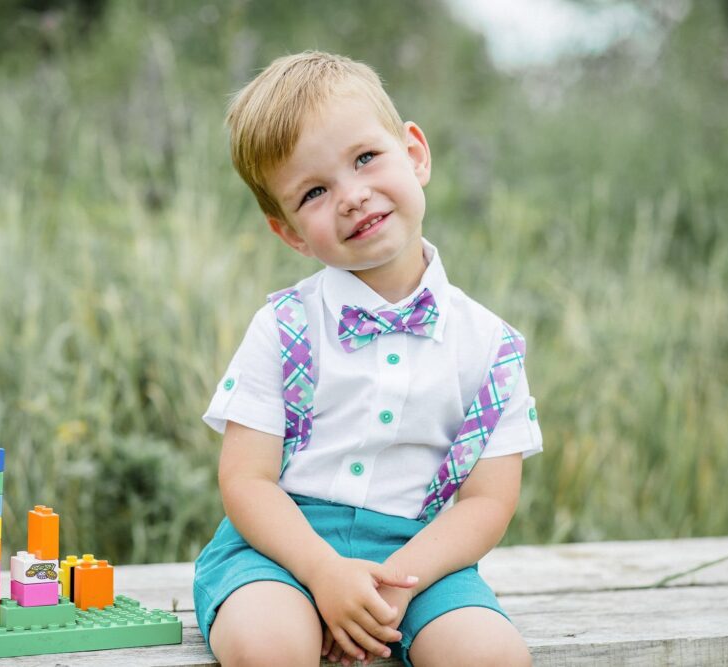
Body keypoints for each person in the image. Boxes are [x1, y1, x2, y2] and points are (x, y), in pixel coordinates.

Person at [193, 51, 542, 667]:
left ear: (415, 153)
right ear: (291, 233)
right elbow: (246, 480)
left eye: (365, 159)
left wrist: (392, 584)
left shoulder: (490, 346)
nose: (353, 196)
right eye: (315, 191)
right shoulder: (285, 326)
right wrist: (323, 572)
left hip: (421, 557)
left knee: (492, 656)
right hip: (279, 550)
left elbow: (488, 501)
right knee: (270, 643)